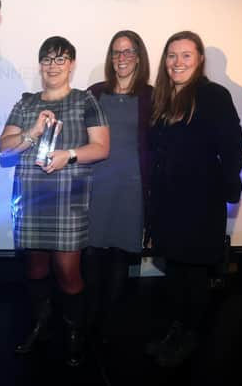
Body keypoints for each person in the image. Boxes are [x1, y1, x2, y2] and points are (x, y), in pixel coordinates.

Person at [0, 36, 109, 366]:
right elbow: (5, 147)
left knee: (67, 271)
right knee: (35, 267)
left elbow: (101, 148)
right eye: (47, 59)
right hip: (31, 197)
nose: (53, 66)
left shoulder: (85, 100)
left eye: (60, 59)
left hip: (67, 199)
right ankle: (41, 326)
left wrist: (69, 155)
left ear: (72, 64)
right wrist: (32, 131)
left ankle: (74, 332)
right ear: (40, 64)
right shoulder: (26, 102)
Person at [145, 31, 242, 368]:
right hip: (167, 203)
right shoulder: (162, 97)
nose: (178, 62)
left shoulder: (213, 95)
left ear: (200, 59)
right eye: (172, 55)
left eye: (186, 55)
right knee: (175, 270)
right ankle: (177, 329)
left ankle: (191, 336)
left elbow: (234, 149)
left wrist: (226, 187)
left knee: (194, 275)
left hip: (200, 204)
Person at [84, 30, 153, 344]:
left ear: (139, 57)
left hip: (133, 187)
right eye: (116, 52)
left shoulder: (153, 96)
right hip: (96, 183)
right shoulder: (95, 92)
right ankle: (90, 318)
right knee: (93, 253)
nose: (122, 58)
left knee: (120, 257)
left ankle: (109, 324)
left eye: (128, 52)